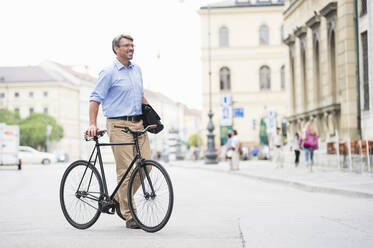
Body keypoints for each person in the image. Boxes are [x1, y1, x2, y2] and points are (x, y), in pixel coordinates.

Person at [86, 34, 151, 229]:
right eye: (126, 45)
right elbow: (95, 99)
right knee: (125, 171)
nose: (131, 48)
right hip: (118, 125)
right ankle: (130, 215)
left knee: (146, 166)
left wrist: (153, 118)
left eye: (132, 45)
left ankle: (117, 197)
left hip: (138, 125)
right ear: (116, 48)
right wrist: (92, 123)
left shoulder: (137, 69)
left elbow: (141, 97)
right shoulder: (108, 72)